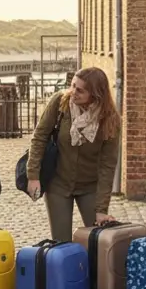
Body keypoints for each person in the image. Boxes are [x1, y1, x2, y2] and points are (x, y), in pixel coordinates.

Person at [25, 68, 121, 243]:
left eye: (80, 90)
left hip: (90, 185)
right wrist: (33, 176)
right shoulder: (60, 102)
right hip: (58, 183)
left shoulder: (110, 119)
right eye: (73, 86)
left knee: (96, 239)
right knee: (61, 243)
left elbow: (108, 165)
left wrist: (101, 209)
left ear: (95, 94)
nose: (73, 92)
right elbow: (39, 137)